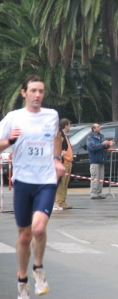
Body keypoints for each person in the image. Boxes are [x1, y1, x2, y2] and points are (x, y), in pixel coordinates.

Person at [0, 75, 66, 299]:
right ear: (24, 93)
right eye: (33, 91)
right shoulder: (13, 117)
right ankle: (22, 280)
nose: (37, 95)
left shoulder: (51, 116)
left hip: (45, 181)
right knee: (25, 235)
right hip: (22, 181)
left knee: (39, 229)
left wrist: (57, 159)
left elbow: (57, 136)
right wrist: (9, 141)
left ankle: (38, 269)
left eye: (41, 91)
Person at [86, 123, 114, 199]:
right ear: (93, 129)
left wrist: (108, 144)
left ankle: (98, 193)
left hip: (102, 160)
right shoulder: (90, 137)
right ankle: (94, 194)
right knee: (95, 177)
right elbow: (92, 147)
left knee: (100, 178)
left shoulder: (101, 136)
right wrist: (102, 144)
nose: (100, 128)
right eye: (98, 127)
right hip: (94, 160)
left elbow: (104, 146)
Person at [54, 118, 73, 211]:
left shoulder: (64, 135)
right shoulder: (60, 134)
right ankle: (59, 202)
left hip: (68, 162)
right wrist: (60, 154)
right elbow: (57, 147)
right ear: (66, 125)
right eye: (69, 124)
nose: (70, 126)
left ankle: (62, 201)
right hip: (64, 162)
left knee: (65, 184)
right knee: (62, 184)